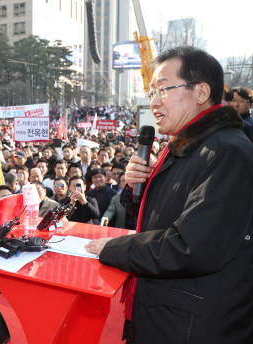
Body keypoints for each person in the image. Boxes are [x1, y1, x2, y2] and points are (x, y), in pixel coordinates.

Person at [84, 47, 253, 343]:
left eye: (163, 89)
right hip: (164, 318)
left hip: (192, 328)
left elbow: (191, 247)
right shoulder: (187, 148)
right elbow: (159, 222)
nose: (154, 103)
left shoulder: (225, 153)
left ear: (201, 92)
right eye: (151, 93)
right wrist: (135, 189)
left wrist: (114, 248)